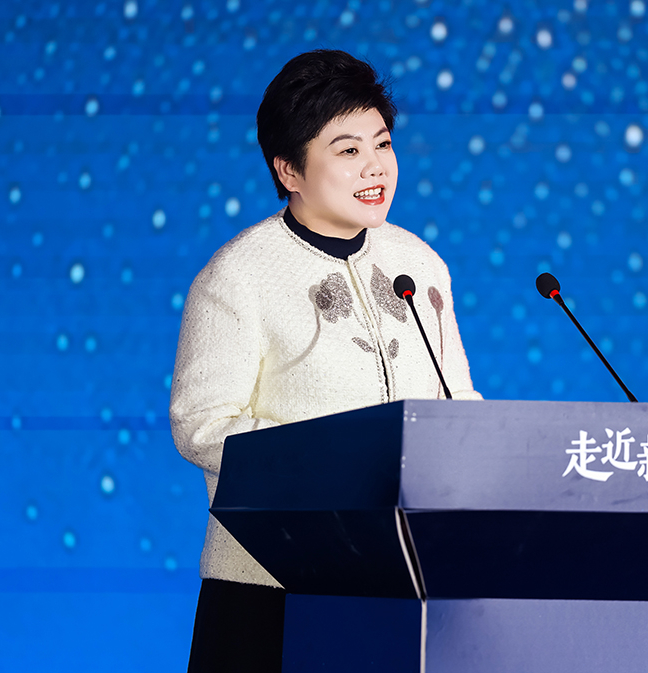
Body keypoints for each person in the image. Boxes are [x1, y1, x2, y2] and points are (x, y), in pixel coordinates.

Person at [169, 49, 480, 671]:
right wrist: (337, 461)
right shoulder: (239, 276)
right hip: (272, 585)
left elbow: (459, 405)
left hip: (405, 577)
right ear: (289, 169)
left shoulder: (419, 264)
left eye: (382, 144)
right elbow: (200, 425)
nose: (376, 166)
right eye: (347, 150)